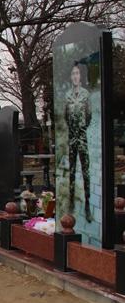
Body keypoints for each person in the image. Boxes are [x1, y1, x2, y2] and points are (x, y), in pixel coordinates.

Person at [65, 63, 92, 222]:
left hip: (82, 137)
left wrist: (81, 129)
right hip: (72, 138)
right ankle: (71, 205)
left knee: (86, 172)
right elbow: (65, 115)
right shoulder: (68, 95)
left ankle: (88, 205)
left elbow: (89, 115)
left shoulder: (85, 94)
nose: (75, 76)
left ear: (80, 76)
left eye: (77, 73)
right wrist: (72, 131)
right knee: (72, 172)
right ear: (71, 77)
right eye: (73, 73)